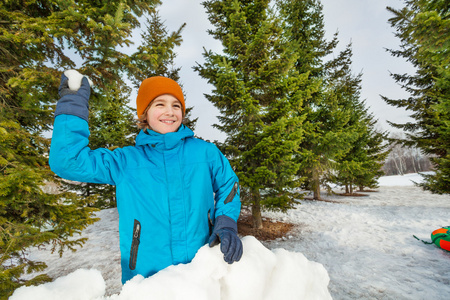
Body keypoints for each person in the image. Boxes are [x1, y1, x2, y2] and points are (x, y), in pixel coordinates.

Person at [49, 73, 243, 284]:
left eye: (176, 106)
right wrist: (72, 102)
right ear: (145, 113)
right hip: (147, 279)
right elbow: (68, 161)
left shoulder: (205, 153)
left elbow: (228, 185)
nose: (170, 111)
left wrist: (225, 222)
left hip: (201, 271)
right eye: (160, 104)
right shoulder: (124, 161)